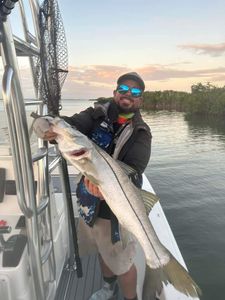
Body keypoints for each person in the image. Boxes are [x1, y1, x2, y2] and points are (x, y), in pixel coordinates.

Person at [34, 72, 152, 300]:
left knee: (122, 263)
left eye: (135, 92)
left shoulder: (141, 132)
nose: (128, 94)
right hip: (88, 201)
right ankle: (109, 289)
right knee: (101, 250)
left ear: (140, 100)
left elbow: (135, 171)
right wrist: (47, 126)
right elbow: (71, 125)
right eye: (123, 89)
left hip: (116, 209)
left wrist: (105, 186)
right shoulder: (96, 114)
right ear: (115, 92)